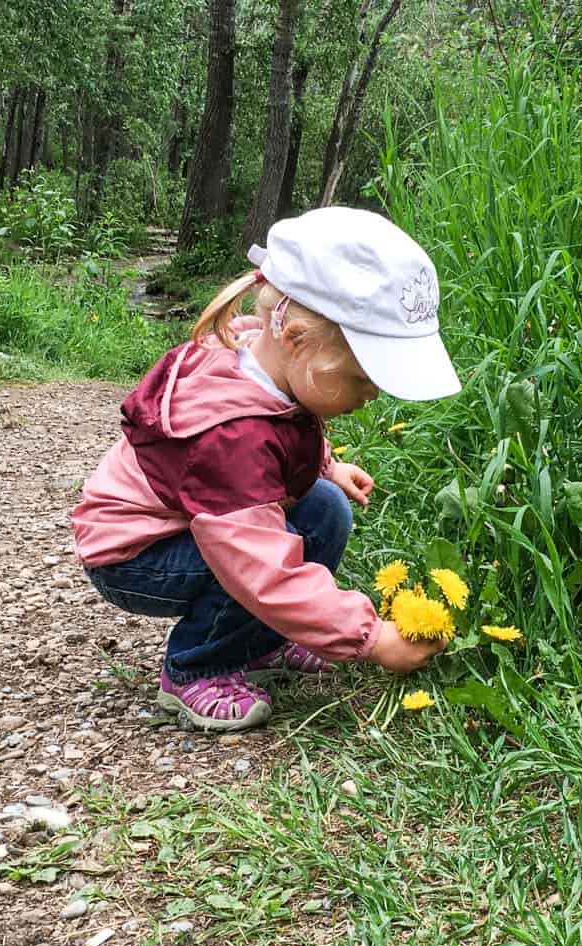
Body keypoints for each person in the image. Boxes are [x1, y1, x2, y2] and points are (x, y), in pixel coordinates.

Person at [71, 206, 461, 732]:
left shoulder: (266, 360)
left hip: (196, 520)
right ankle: (195, 669)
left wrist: (324, 466)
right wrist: (368, 637)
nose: (370, 397)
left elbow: (283, 430)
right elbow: (257, 562)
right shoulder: (231, 438)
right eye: (361, 379)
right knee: (246, 563)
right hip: (135, 556)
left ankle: (258, 646)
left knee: (324, 506)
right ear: (296, 338)